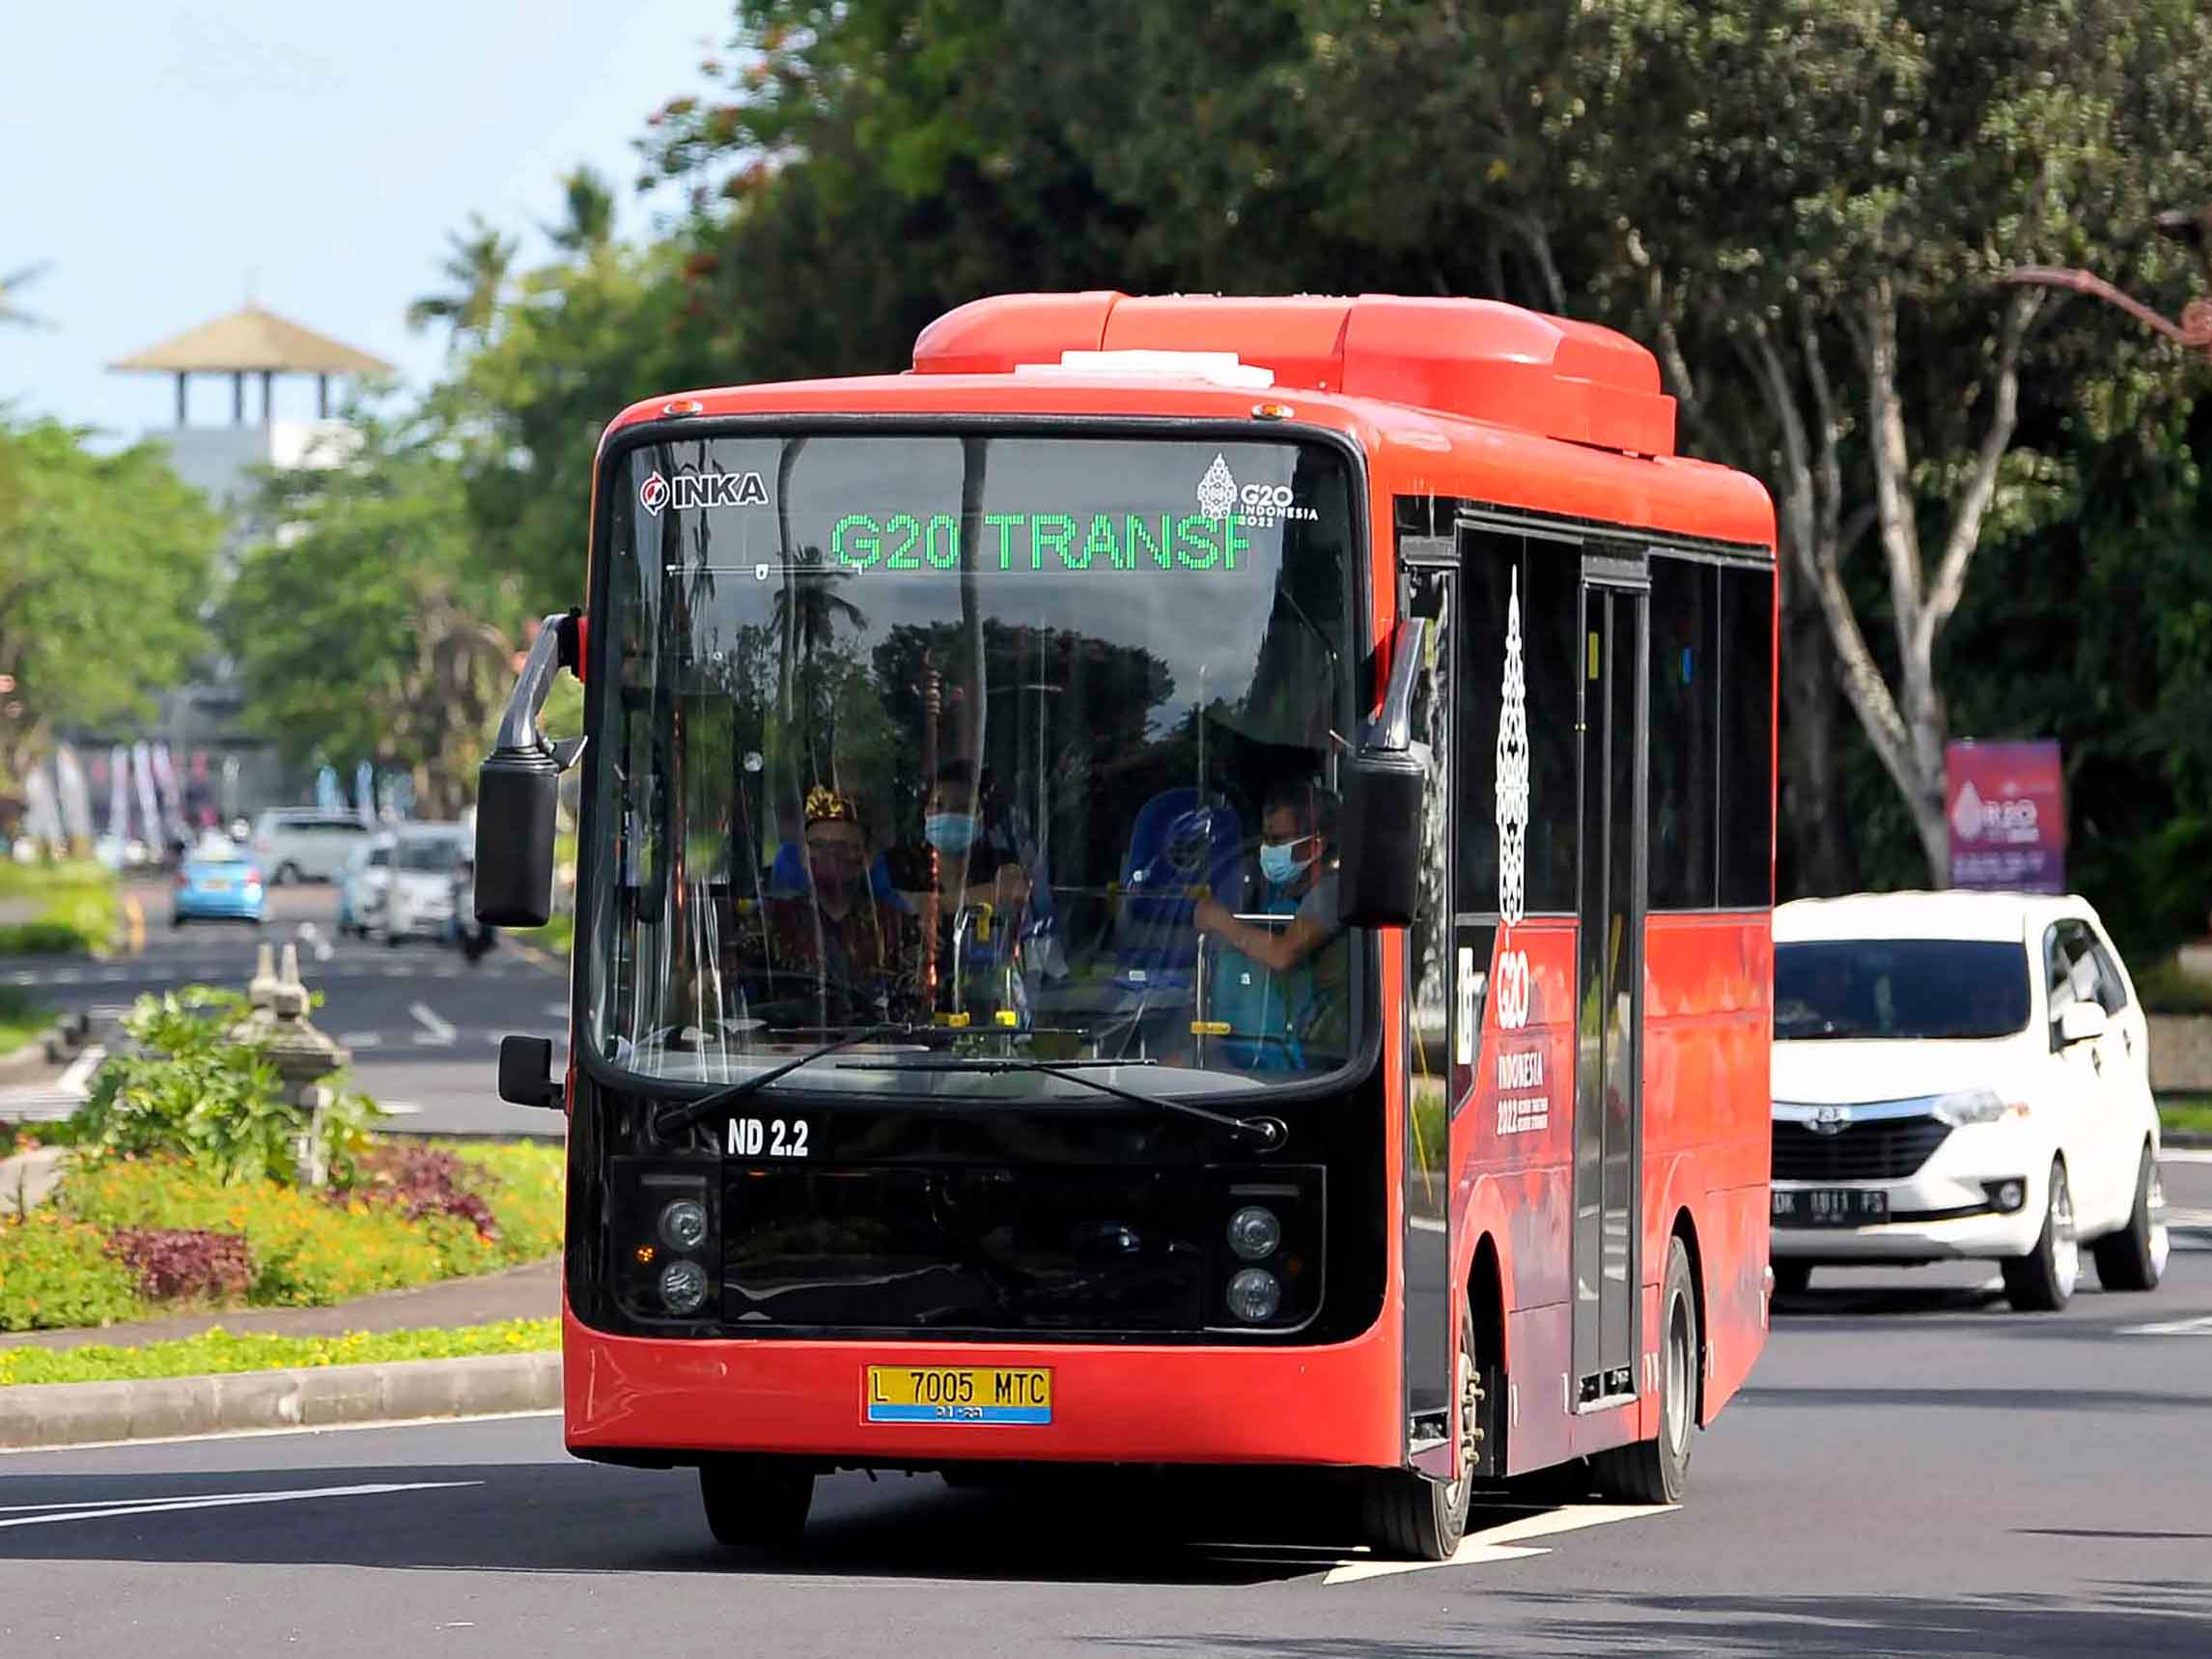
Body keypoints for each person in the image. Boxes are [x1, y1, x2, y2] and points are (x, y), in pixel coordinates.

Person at [1193, 779, 1348, 1070]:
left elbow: (1282, 955)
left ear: (1314, 845)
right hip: (1257, 1046)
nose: (1267, 850)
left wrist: (1222, 921)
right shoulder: (1282, 890)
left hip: (1317, 1050)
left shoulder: (1331, 891)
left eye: (1277, 840)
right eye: (1265, 838)